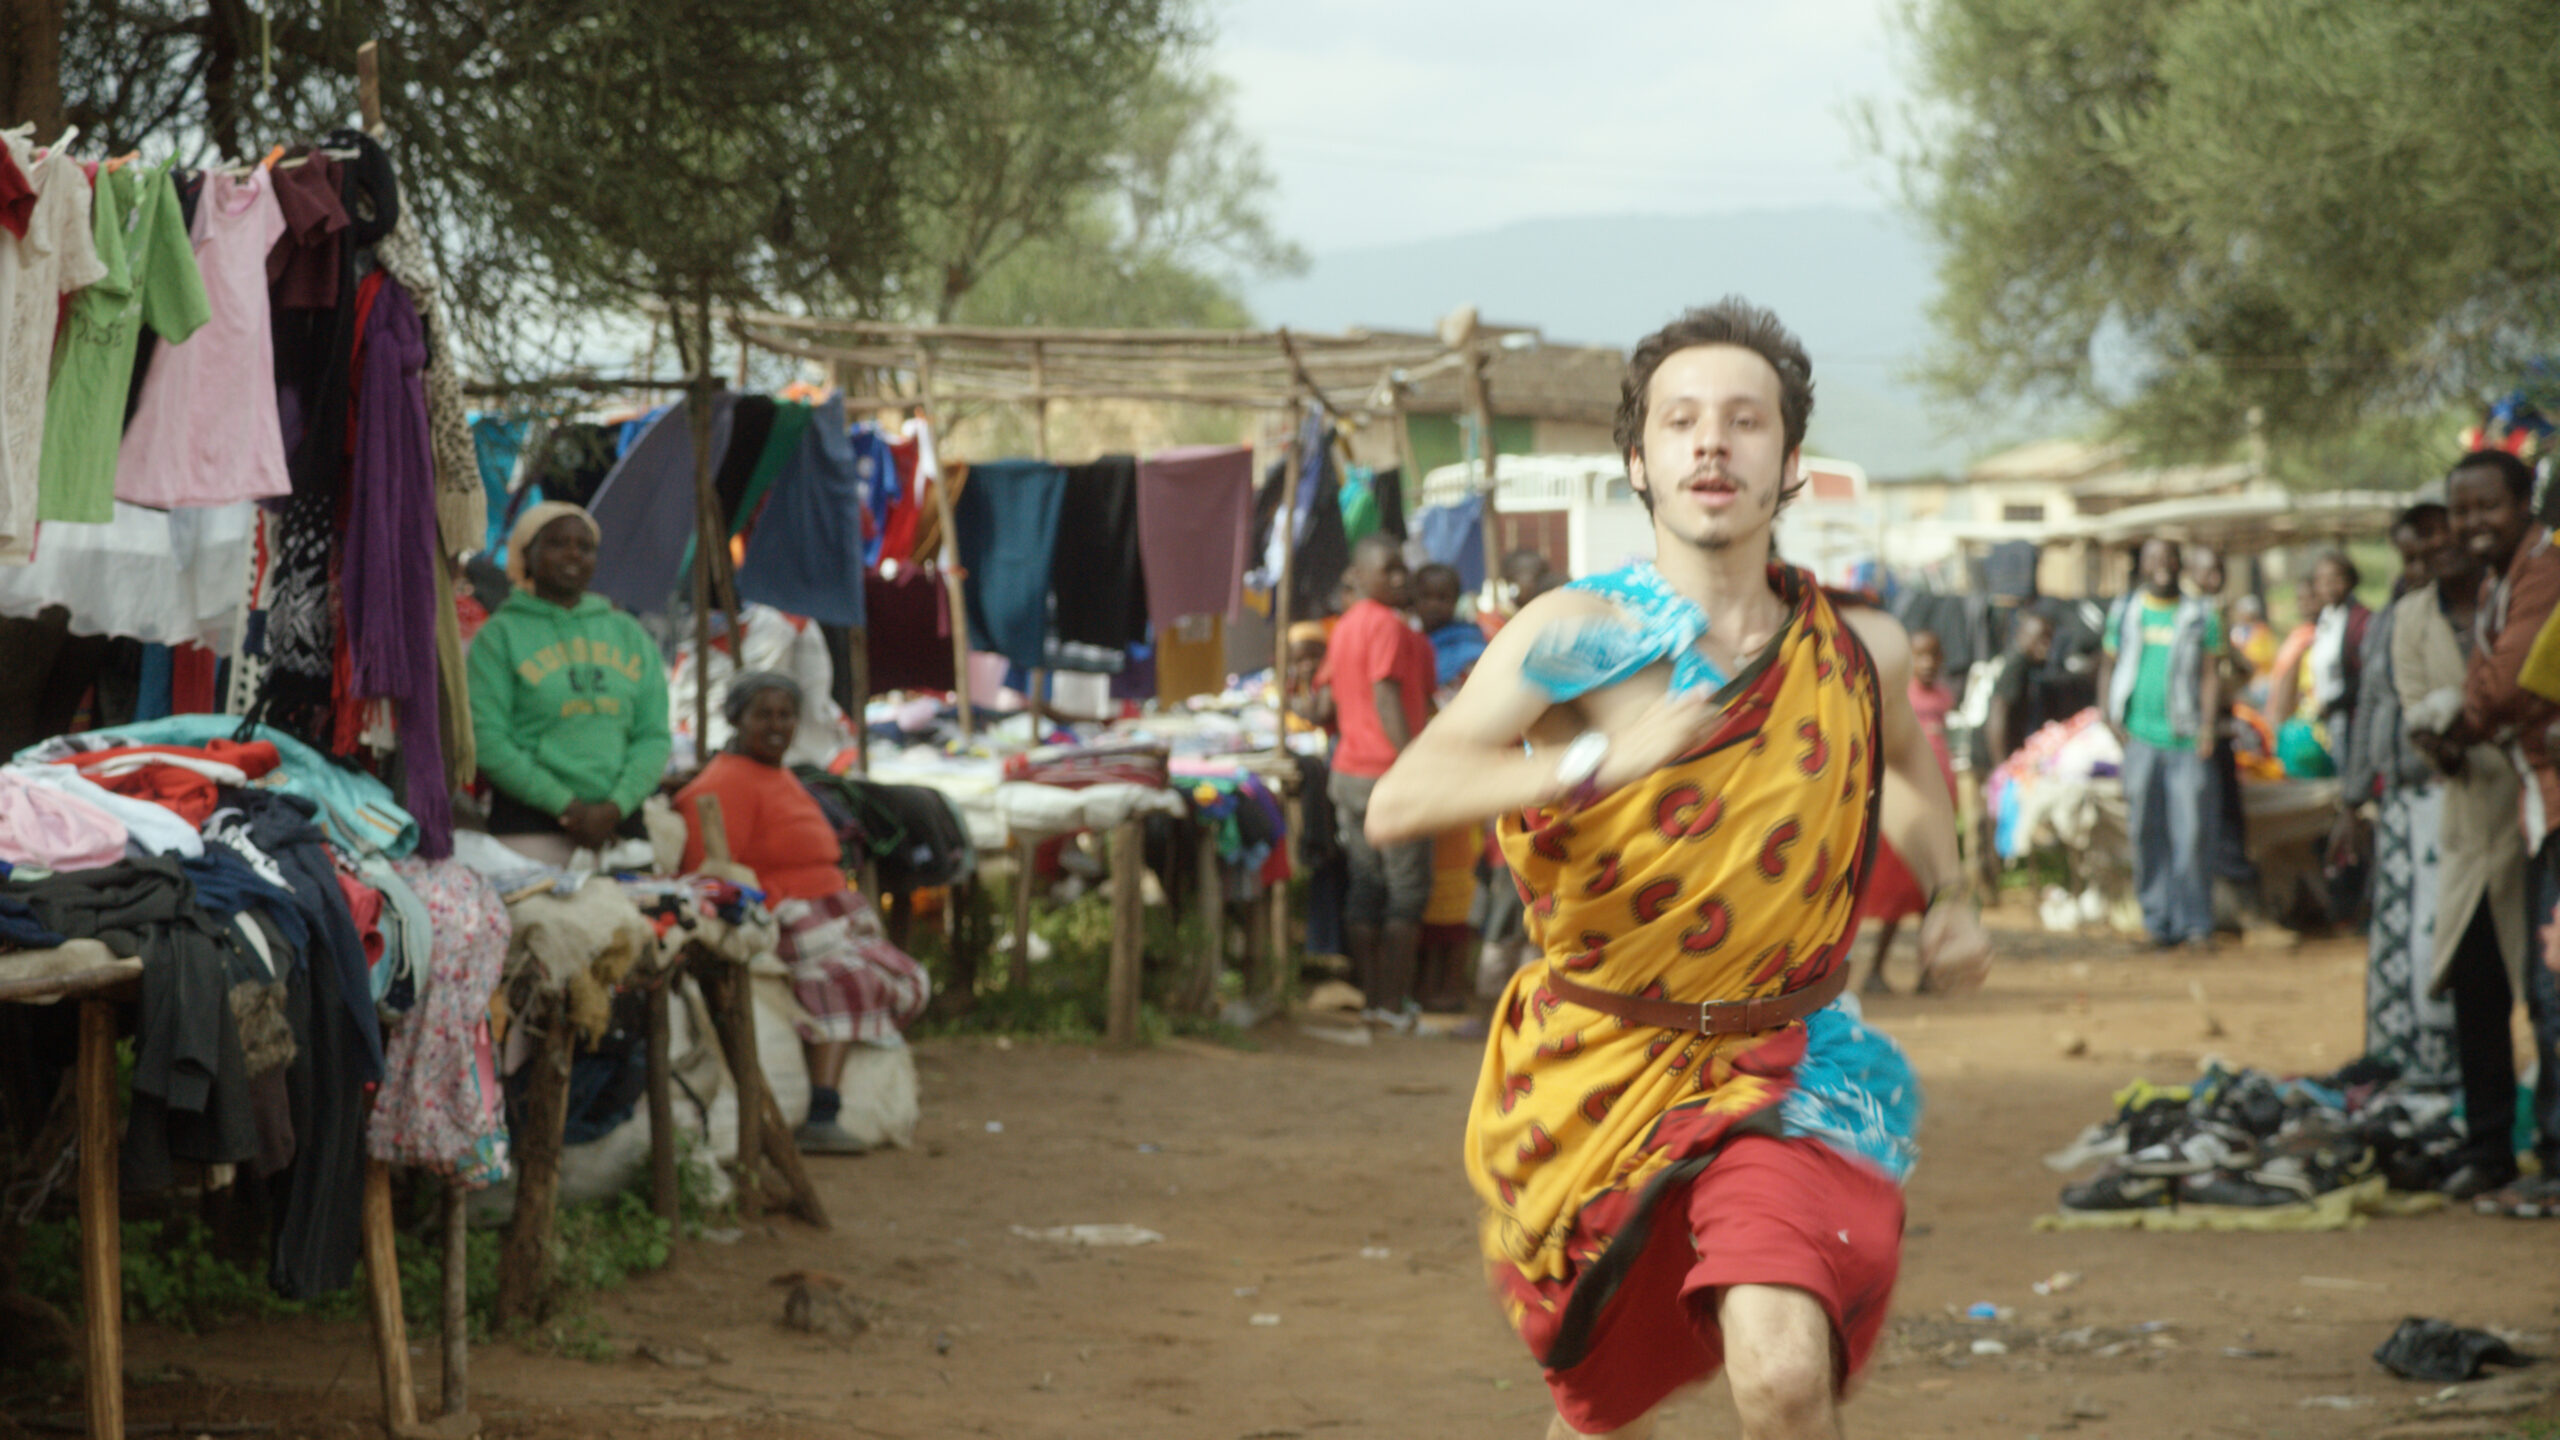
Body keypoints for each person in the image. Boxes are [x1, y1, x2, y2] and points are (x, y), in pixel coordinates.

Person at [1367, 299, 1991, 1440]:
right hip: (1598, 1073)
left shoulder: (1859, 648)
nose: (1712, 443)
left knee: (1784, 1375)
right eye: (1681, 421)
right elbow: (1399, 799)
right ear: (1638, 463)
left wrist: (1948, 892)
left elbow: (1905, 763)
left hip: (1788, 1061)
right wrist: (1598, 760)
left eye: (1745, 421)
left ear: (1788, 465)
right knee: (1605, 1413)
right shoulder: (1576, 634)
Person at [674, 672, 928, 1154]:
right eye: (763, 715)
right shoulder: (726, 783)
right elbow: (711, 874)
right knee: (847, 980)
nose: (777, 726)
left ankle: (854, 1092)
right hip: (783, 916)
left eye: (786, 715)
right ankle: (822, 1112)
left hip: (828, 910)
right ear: (737, 719)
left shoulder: (778, 773)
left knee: (903, 975)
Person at [2427, 448, 2560, 1213]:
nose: (2473, 522)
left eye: (2488, 507)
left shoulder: (2543, 573)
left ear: (2524, 504)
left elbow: (2502, 687)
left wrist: (2465, 717)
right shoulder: (2499, 582)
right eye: (2462, 510)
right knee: (2539, 988)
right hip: (2530, 804)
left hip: (2547, 801)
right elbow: (2492, 682)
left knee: (2551, 989)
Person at [466, 502, 672, 866]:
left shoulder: (628, 633)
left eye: (585, 546)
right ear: (526, 555)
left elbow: (653, 736)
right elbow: (487, 738)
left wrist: (615, 806)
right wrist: (567, 806)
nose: (573, 554)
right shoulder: (499, 636)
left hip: (620, 829)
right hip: (530, 828)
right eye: (557, 543)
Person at [2340, 506, 2460, 1092]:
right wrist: (2352, 798)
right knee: (2394, 929)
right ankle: (2389, 1051)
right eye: (2407, 558)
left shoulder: (2458, 614)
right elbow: (2370, 704)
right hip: (2397, 801)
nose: (2415, 570)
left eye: (2424, 556)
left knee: (2434, 932)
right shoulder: (2391, 616)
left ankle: (2437, 1064)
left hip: (2446, 796)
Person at [1322, 532, 1439, 1025]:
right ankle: (1391, 1004)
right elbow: (1386, 695)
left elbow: (1327, 702)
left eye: (1401, 568)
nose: (1398, 578)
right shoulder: (1388, 626)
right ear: (1359, 574)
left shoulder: (1345, 625)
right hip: (1389, 776)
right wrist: (1413, 763)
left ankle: (1372, 1002)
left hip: (1348, 773)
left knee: (1366, 887)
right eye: (1387, 569)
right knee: (1405, 893)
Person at [2096, 538, 2227, 950]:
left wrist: (2207, 727)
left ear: (2179, 563)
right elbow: (2108, 665)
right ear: (2142, 564)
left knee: (2191, 834)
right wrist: (2108, 716)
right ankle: (2158, 922)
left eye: (2169, 558)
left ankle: (2195, 924)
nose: (2162, 566)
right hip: (2139, 740)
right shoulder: (2126, 611)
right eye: (2153, 559)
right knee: (2145, 831)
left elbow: (2210, 673)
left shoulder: (2200, 614)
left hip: (2186, 740)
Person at [1854, 629, 1959, 993]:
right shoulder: (1898, 698)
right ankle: (1876, 969)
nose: (1927, 664)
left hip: (1938, 812)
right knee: (1899, 897)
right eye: (1920, 656)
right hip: (1906, 818)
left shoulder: (1944, 697)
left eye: (1933, 656)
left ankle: (1928, 973)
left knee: (1934, 894)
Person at [1416, 562, 1491, 687]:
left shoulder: (1470, 647)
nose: (1433, 605)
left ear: (1456, 600)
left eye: (1442, 598)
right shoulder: (1410, 643)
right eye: (1426, 596)